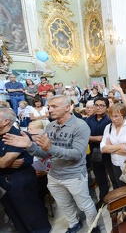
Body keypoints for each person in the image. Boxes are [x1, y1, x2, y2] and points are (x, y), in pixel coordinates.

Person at [3, 95, 104, 232]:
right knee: (65, 204)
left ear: (67, 107)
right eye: (49, 106)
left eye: (54, 106)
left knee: (85, 204)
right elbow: (45, 153)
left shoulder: (80, 126)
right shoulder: (51, 126)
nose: (50, 109)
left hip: (73, 175)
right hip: (54, 175)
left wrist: (50, 148)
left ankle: (93, 226)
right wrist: (29, 146)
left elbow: (77, 154)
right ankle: (74, 224)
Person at [0, 108, 51, 232]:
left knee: (29, 209)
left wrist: (5, 164)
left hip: (19, 178)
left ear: (5, 121)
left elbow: (4, 162)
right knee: (12, 210)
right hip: (3, 178)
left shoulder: (17, 135)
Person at [101, 102, 126, 221]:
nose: (113, 119)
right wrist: (120, 146)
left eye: (117, 116)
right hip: (115, 163)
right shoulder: (109, 127)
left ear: (124, 115)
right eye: (111, 116)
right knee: (120, 187)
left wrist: (111, 147)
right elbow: (103, 148)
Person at [86, 97, 112, 209]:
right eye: (96, 105)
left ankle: (117, 199)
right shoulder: (89, 120)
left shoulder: (110, 119)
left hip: (109, 152)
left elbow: (110, 138)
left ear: (107, 107)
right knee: (100, 178)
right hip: (94, 153)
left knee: (114, 177)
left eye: (102, 105)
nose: (98, 107)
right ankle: (104, 198)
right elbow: (84, 136)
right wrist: (99, 138)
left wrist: (91, 138)